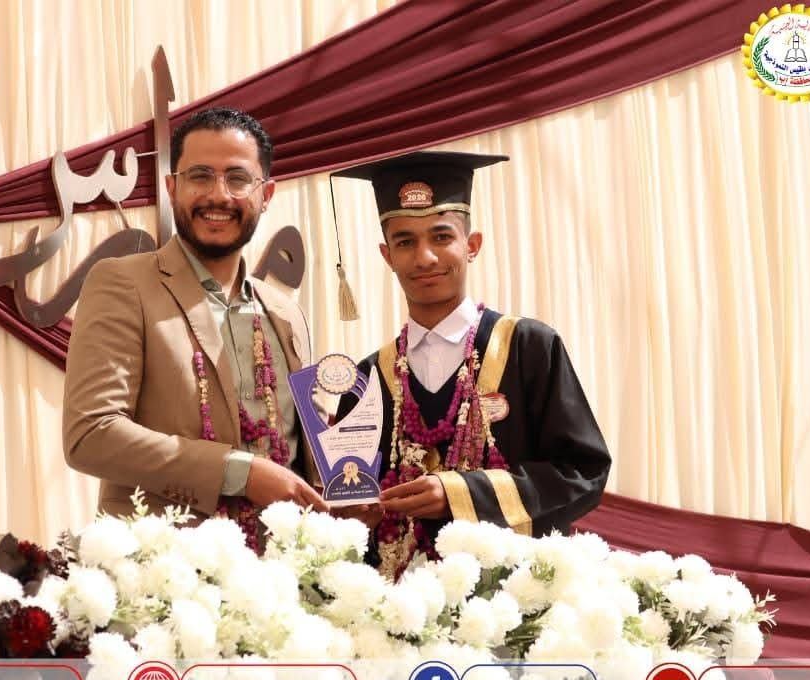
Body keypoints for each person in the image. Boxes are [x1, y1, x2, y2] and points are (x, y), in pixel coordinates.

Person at [333, 151, 610, 578]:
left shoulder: (529, 348)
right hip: (401, 599)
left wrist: (462, 493)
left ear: (472, 245)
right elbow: (351, 501)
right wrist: (354, 514)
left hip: (512, 595)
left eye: (441, 237)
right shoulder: (368, 378)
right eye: (405, 242)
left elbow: (583, 473)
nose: (425, 257)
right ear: (387, 256)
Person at [63, 107, 325, 545]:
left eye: (238, 179)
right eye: (200, 176)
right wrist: (239, 472)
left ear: (266, 194)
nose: (218, 195)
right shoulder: (125, 284)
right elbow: (91, 434)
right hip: (168, 568)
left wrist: (343, 493)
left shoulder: (285, 312)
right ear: (172, 188)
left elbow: (300, 449)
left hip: (283, 567)